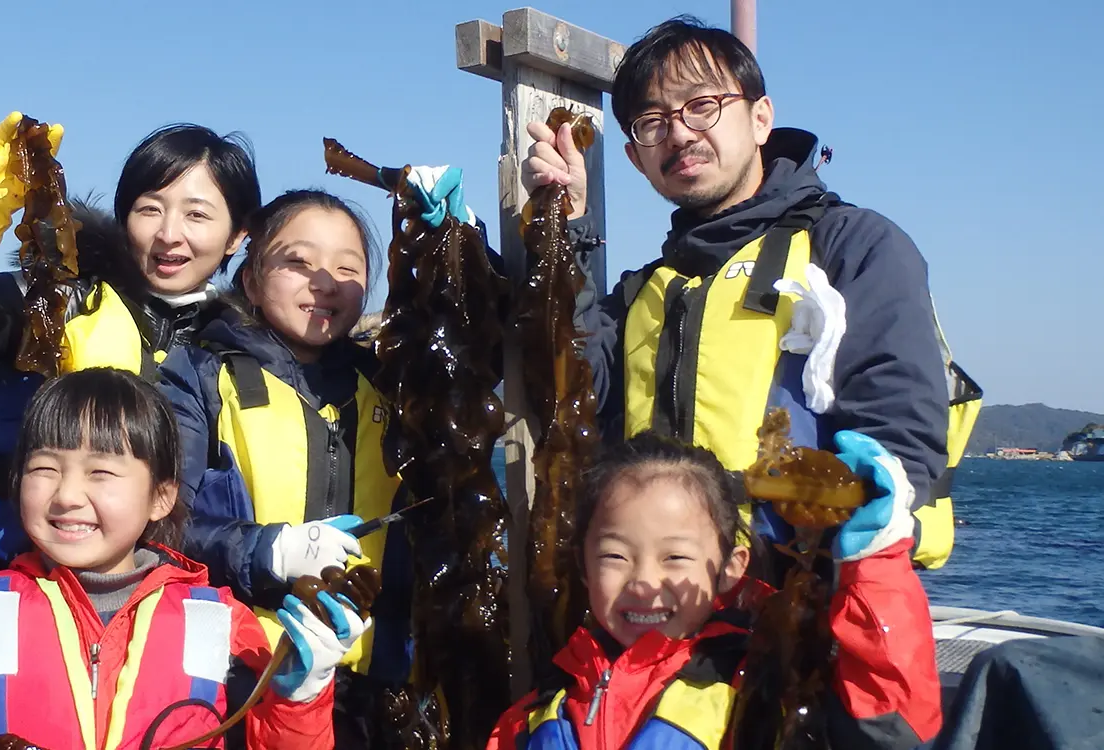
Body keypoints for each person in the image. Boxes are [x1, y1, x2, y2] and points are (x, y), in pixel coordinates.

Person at [520, 17, 981, 570]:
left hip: (798, 599)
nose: (681, 134)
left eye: (702, 106)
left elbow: (899, 424)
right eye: (652, 122)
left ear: (761, 118)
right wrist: (564, 226)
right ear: (634, 158)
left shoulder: (851, 247)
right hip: (657, 602)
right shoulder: (645, 290)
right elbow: (574, 395)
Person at [0, 112, 262, 672]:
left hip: (141, 610)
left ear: (238, 235)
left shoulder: (243, 350)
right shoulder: (51, 298)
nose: (170, 234)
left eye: (198, 215)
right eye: (150, 208)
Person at [0, 367, 362, 750]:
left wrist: (301, 697)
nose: (67, 496)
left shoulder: (222, 621)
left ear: (161, 497)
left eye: (101, 472)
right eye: (44, 469)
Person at [486, 431, 941, 749]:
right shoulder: (538, 713)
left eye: (675, 558)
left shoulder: (762, 682)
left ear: (729, 568)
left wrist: (876, 559)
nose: (644, 582)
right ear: (583, 568)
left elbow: (892, 721)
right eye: (615, 556)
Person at [157, 189, 412, 747]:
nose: (323, 280)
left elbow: (482, 344)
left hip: (374, 683)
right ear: (249, 279)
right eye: (298, 261)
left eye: (348, 267)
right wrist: (268, 549)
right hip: (243, 674)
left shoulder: (396, 386)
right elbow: (161, 524)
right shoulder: (197, 375)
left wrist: (463, 243)